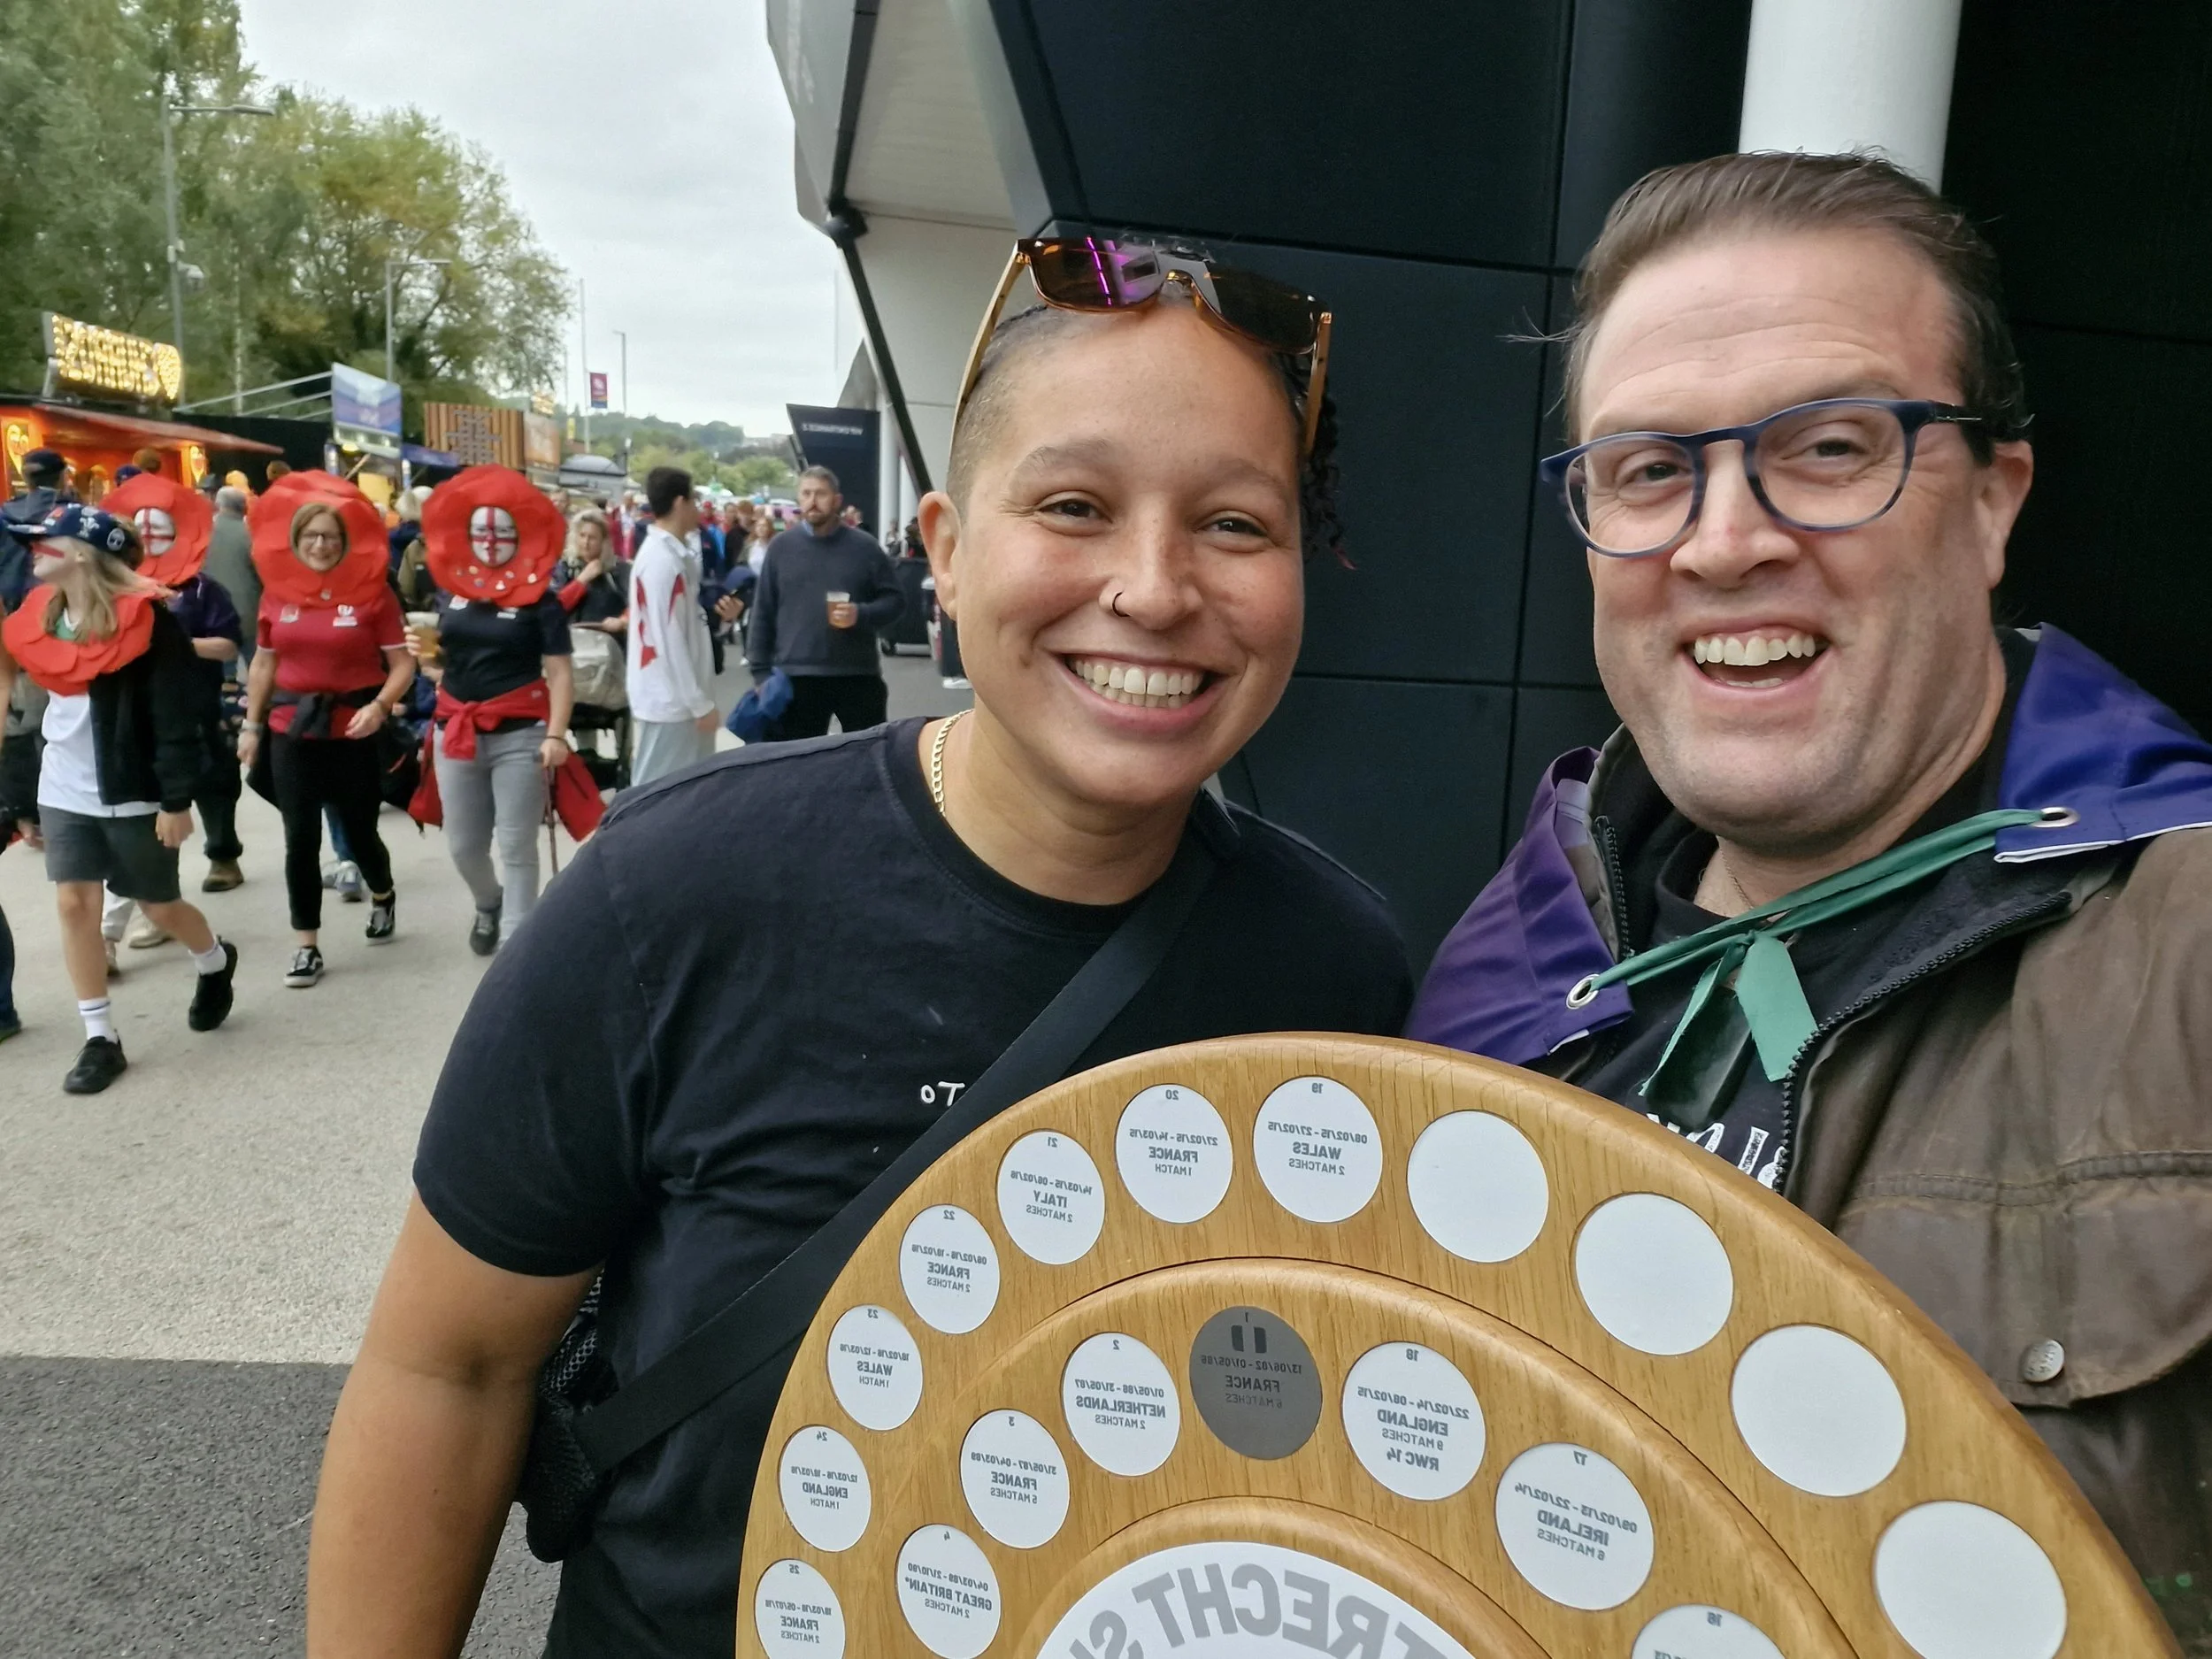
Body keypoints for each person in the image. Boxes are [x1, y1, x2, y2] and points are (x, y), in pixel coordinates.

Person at [308, 237, 1400, 1657]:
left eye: (1237, 525)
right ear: (944, 551)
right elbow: (446, 1368)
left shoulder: (1342, 980)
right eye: (1073, 503)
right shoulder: (672, 895)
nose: (1153, 585)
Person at [1405, 151, 2212, 1650]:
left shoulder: (2188, 957)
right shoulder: (1501, 972)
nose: (1724, 541)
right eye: (1649, 471)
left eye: (1832, 448)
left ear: (1992, 502)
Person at [0, 505, 238, 1093]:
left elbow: (175, 714)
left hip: (132, 789)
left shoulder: (149, 621)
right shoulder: (41, 614)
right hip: (64, 786)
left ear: (82, 551)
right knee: (75, 904)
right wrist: (21, 799)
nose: (33, 550)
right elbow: (33, 712)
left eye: (45, 540)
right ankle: (100, 1038)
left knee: (158, 906)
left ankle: (213, 960)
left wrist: (176, 800)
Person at [237, 481, 414, 988]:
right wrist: (252, 725)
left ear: (345, 541)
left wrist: (381, 707)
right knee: (300, 839)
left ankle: (382, 893)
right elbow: (264, 665)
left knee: (360, 834)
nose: (321, 545)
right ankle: (306, 946)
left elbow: (402, 664)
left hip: (354, 728)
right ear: (295, 541)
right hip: (291, 730)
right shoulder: (277, 595)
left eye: (331, 536)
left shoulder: (373, 594)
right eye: (311, 536)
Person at [415, 467, 575, 956]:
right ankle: (490, 902)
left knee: (516, 845)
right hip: (457, 730)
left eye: (501, 531)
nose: (490, 541)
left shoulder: (543, 603)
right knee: (463, 846)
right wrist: (427, 661)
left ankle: (516, 947)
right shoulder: (451, 593)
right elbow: (445, 662)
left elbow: (561, 673)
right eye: (481, 531)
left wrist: (556, 734)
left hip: (521, 734)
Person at [99, 472, 248, 934]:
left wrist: (169, 644)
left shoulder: (203, 591)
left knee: (214, 783)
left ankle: (224, 854)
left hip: (199, 700)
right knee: (153, 800)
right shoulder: (115, 598)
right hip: (137, 712)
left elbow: (227, 646)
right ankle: (159, 896)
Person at [745, 465, 902, 738]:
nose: (813, 500)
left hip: (856, 673)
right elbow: (763, 611)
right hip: (796, 675)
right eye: (806, 493)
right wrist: (760, 673)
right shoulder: (781, 548)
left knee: (868, 761)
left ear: (837, 500)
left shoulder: (865, 547)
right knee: (797, 766)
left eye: (821, 493)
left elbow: (895, 600)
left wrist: (861, 614)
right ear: (798, 499)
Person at [623, 466, 718, 786]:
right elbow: (669, 639)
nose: (697, 508)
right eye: (693, 500)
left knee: (683, 795)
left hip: (676, 700)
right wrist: (699, 703)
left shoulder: (671, 556)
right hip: (670, 702)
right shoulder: (661, 561)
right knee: (655, 796)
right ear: (680, 503)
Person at [3, 447, 72, 611]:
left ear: (25, 478)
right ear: (63, 476)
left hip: (9, 605)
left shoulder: (4, 514)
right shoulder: (76, 518)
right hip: (58, 605)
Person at [206, 486, 261, 657]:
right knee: (253, 657)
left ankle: (229, 680)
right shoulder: (251, 534)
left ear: (218, 505)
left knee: (224, 663)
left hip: (212, 609)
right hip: (247, 609)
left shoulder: (203, 532)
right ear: (244, 507)